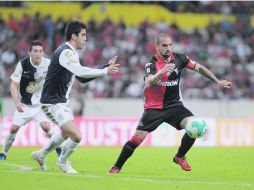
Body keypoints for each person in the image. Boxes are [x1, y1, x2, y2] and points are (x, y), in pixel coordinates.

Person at [108, 33, 232, 173]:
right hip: (154, 108)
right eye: (164, 45)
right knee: (137, 139)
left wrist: (217, 81)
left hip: (174, 106)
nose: (168, 48)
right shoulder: (152, 63)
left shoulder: (180, 58)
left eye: (170, 45)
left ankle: (180, 156)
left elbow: (200, 68)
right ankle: (116, 167)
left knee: (196, 127)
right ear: (157, 46)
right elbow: (148, 82)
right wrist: (161, 72)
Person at [31, 21, 119, 173]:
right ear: (74, 36)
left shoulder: (71, 53)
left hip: (62, 102)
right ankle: (62, 162)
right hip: (51, 102)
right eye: (83, 35)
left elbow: (82, 78)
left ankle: (41, 154)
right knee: (76, 136)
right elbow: (80, 73)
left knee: (66, 133)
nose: (85, 38)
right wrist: (105, 72)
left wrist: (104, 67)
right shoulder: (65, 52)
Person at [0, 41, 60, 160]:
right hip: (25, 104)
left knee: (46, 127)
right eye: (35, 51)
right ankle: (4, 153)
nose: (38, 54)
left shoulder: (49, 64)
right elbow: (13, 85)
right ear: (29, 52)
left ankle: (59, 149)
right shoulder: (23, 64)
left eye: (40, 51)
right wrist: (17, 102)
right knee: (13, 128)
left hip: (42, 105)